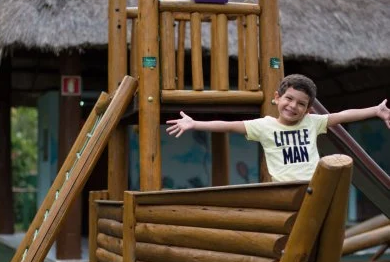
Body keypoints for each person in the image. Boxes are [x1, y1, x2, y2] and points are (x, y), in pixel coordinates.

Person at [166, 74, 390, 182]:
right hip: (283, 189)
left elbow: (342, 115)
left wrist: (375, 110)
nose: (293, 106)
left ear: (308, 109)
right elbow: (228, 126)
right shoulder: (265, 126)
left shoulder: (312, 122)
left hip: (314, 184)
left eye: (301, 104)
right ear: (277, 98)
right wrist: (194, 123)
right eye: (289, 99)